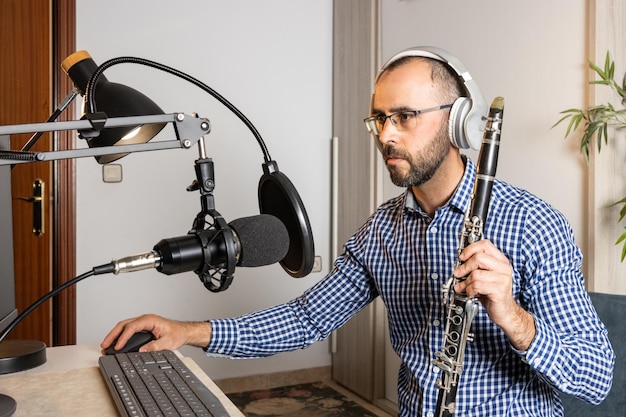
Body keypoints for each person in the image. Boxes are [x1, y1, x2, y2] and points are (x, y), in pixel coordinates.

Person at [102, 47, 614, 416]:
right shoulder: (382, 231)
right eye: (379, 120)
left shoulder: (534, 223)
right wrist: (188, 333)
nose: (387, 135)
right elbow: (306, 320)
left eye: (406, 117)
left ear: (460, 123)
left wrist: (513, 317)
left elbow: (596, 379)